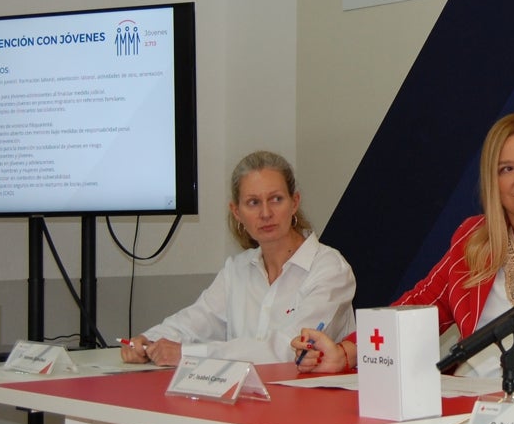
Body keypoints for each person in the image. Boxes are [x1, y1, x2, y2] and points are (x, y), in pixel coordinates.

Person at [293, 110, 514, 389]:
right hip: (469, 402)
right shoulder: (473, 236)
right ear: (492, 181)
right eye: (506, 169)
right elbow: (419, 308)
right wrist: (345, 353)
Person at [120, 150, 355, 367]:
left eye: (276, 199)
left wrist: (188, 354)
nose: (265, 213)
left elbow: (288, 349)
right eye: (253, 203)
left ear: (294, 203)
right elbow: (197, 320)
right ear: (237, 212)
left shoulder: (329, 268)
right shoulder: (237, 269)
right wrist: (147, 341)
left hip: (309, 405)